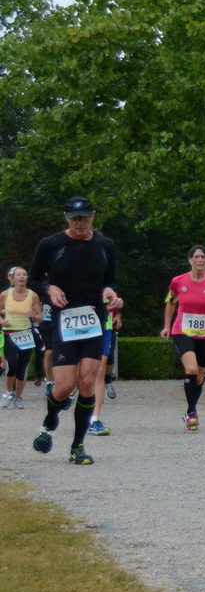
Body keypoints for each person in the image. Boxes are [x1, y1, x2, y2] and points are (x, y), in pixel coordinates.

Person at [28, 196, 124, 464]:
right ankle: (49, 423)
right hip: (64, 320)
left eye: (84, 217)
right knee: (63, 386)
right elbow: (34, 279)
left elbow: (111, 281)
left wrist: (110, 293)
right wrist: (49, 288)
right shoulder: (51, 245)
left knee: (86, 383)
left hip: (94, 319)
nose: (80, 223)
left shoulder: (105, 245)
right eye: (74, 218)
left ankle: (77, 447)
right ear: (66, 218)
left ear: (93, 216)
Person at [159, 245, 205, 431]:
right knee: (190, 369)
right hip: (182, 330)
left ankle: (191, 409)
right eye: (196, 256)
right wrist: (167, 326)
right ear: (189, 260)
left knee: (199, 376)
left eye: (203, 257)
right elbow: (170, 302)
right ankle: (191, 412)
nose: (199, 260)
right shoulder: (178, 281)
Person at [3, 265, 42, 410]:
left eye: (24, 274)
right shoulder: (5, 295)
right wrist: (2, 321)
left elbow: (40, 317)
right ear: (12, 278)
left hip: (26, 334)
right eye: (18, 275)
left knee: (22, 368)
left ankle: (18, 397)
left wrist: (35, 316)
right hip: (10, 333)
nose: (21, 277)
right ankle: (8, 393)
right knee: (12, 365)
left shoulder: (33, 295)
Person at [87, 300, 121, 435]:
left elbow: (112, 291)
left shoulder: (104, 281)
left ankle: (94, 419)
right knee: (81, 372)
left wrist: (115, 307)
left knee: (100, 370)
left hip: (103, 323)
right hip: (77, 323)